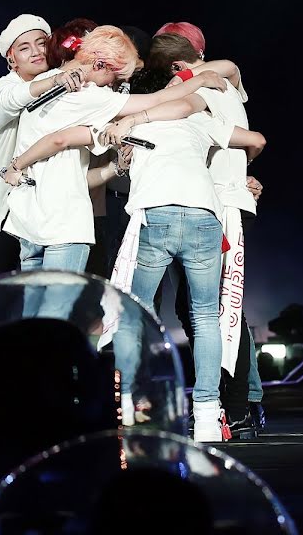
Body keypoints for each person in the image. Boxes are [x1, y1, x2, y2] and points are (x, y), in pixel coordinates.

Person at [107, 67, 266, 442]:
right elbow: (256, 139)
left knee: (136, 314)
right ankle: (209, 415)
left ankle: (133, 405)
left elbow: (111, 173)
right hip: (204, 216)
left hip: (157, 213)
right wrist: (239, 173)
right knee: (206, 316)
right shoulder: (200, 119)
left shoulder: (129, 122)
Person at [0, 25, 227, 274]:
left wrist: (18, 165)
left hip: (28, 220)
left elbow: (67, 157)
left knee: (32, 298)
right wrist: (199, 79)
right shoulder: (90, 95)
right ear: (100, 65)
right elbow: (156, 100)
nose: (114, 85)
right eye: (115, 78)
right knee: (61, 298)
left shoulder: (45, 80)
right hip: (62, 223)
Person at [146, 29, 267, 436]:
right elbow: (251, 138)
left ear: (178, 65)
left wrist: (179, 83)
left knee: (214, 309)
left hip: (217, 206)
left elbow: (218, 77)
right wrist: (242, 169)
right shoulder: (222, 83)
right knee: (213, 308)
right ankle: (238, 405)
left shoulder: (197, 89)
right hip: (220, 203)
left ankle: (235, 408)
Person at [0, 13, 87, 279]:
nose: (36, 52)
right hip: (5, 211)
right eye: (25, 48)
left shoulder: (67, 83)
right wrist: (56, 79)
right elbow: (15, 98)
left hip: (48, 211)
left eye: (41, 43)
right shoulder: (4, 86)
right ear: (11, 59)